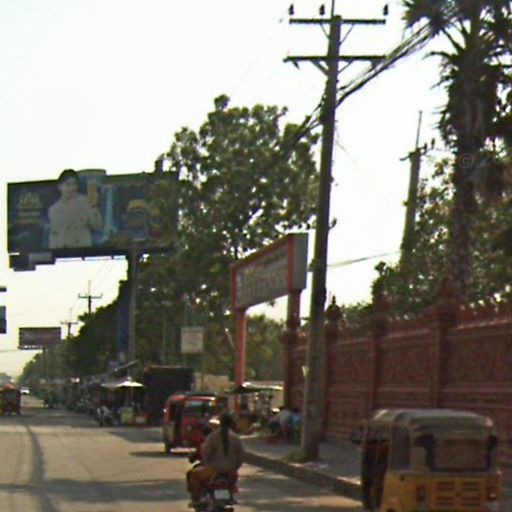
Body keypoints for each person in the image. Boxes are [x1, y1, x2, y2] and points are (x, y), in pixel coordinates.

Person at [187, 412, 245, 505]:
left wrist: (208, 463)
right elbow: (241, 455)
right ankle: (230, 497)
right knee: (233, 481)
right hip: (231, 471)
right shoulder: (235, 438)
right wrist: (235, 467)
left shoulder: (213, 436)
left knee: (194, 475)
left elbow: (205, 451)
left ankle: (197, 499)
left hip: (214, 469)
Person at [48, 169, 103, 249]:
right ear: (60, 186)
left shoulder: (85, 202)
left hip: (83, 250)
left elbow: (97, 226)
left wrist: (93, 207)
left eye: (74, 184)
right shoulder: (54, 210)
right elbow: (54, 236)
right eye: (68, 185)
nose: (72, 188)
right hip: (64, 251)